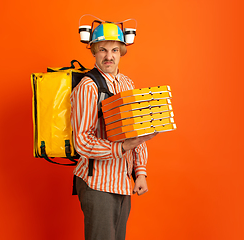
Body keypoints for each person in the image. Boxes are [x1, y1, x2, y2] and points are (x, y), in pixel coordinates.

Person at [71, 22, 157, 240]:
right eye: (103, 49)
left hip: (122, 182)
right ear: (94, 52)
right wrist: (122, 147)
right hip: (96, 183)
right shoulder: (88, 87)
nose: (108, 56)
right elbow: (81, 141)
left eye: (114, 50)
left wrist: (140, 172)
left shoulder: (127, 83)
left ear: (121, 52)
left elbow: (136, 131)